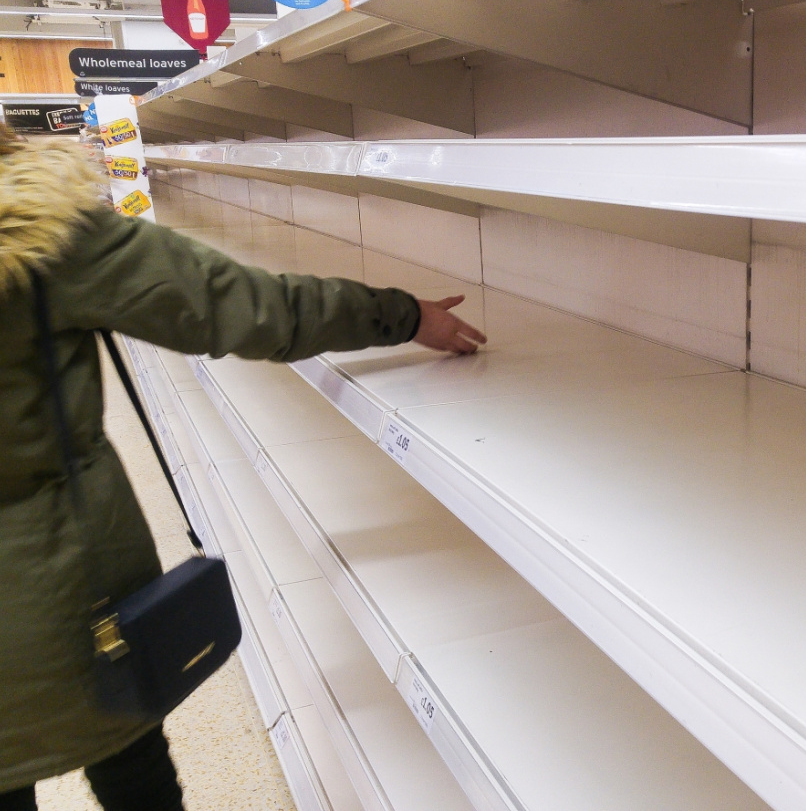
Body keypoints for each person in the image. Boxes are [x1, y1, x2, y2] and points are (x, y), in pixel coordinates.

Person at [0, 128, 486, 811]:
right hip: (57, 583)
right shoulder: (39, 231)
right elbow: (238, 304)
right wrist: (400, 315)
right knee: (130, 762)